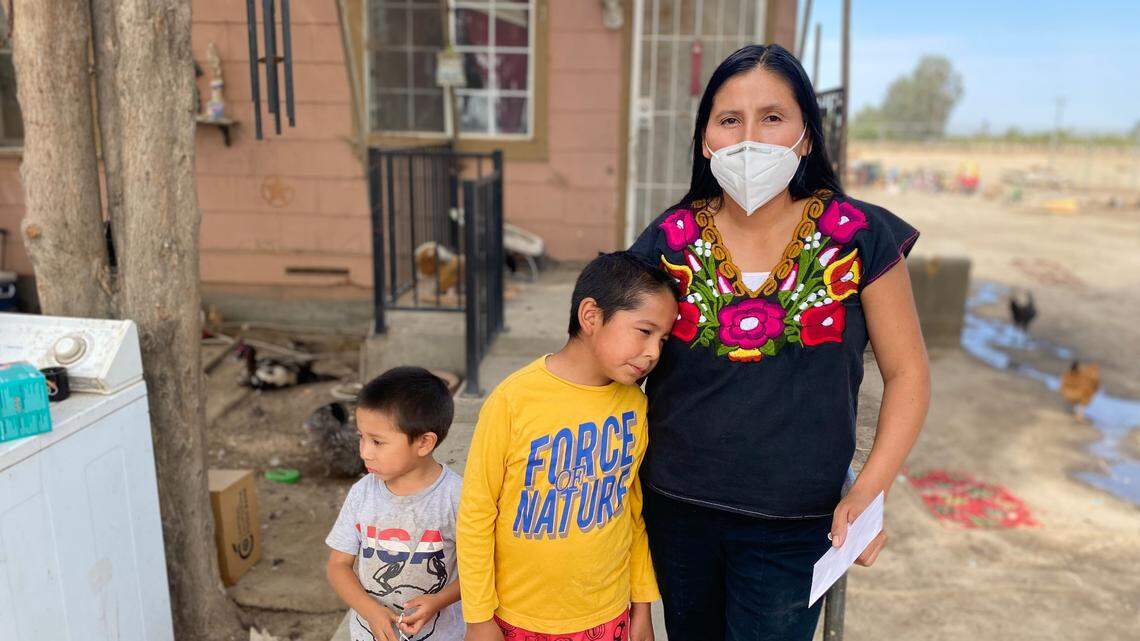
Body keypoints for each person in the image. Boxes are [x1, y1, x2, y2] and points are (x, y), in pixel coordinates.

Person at [629, 43, 931, 641]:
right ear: (706, 138)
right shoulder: (670, 239)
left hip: (797, 521)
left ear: (807, 136)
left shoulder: (860, 237)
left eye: (772, 117)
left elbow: (909, 375)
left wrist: (868, 494)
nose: (749, 137)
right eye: (729, 119)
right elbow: (615, 361)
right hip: (676, 508)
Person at [457, 252, 677, 641]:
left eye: (662, 339)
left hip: (607, 617)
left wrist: (642, 607)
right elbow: (476, 515)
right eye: (644, 332)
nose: (654, 353)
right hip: (519, 618)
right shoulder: (514, 400)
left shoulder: (634, 406)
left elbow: (632, 511)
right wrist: (478, 617)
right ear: (591, 316)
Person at [326, 367, 464, 641]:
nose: (365, 452)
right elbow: (338, 565)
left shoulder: (457, 497)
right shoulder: (362, 493)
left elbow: (482, 571)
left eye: (377, 442)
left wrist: (439, 600)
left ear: (424, 442)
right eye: (361, 437)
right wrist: (371, 611)